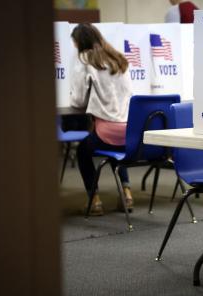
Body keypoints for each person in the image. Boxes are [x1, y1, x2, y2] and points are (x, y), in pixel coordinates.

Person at [70, 23, 134, 216]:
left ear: (80, 43)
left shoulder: (86, 61)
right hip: (130, 132)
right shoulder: (118, 59)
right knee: (116, 149)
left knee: (82, 151)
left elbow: (79, 101)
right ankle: (127, 193)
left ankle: (94, 199)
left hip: (106, 132)